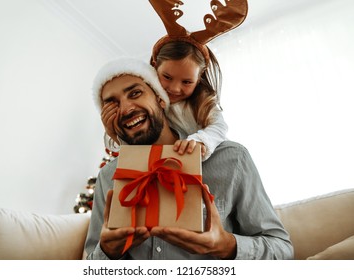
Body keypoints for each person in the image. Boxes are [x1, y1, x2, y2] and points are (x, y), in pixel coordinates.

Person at [85, 57, 294, 260]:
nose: (126, 109)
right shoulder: (109, 176)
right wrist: (108, 252)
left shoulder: (232, 159)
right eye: (111, 104)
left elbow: (282, 250)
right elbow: (90, 265)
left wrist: (226, 246)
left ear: (160, 98)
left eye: (136, 93)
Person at [101, 40, 228, 162]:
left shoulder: (203, 103)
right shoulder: (150, 104)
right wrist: (112, 133)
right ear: (155, 68)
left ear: (199, 79)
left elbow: (219, 127)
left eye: (187, 82)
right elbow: (133, 143)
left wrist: (201, 140)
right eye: (167, 77)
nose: (174, 88)